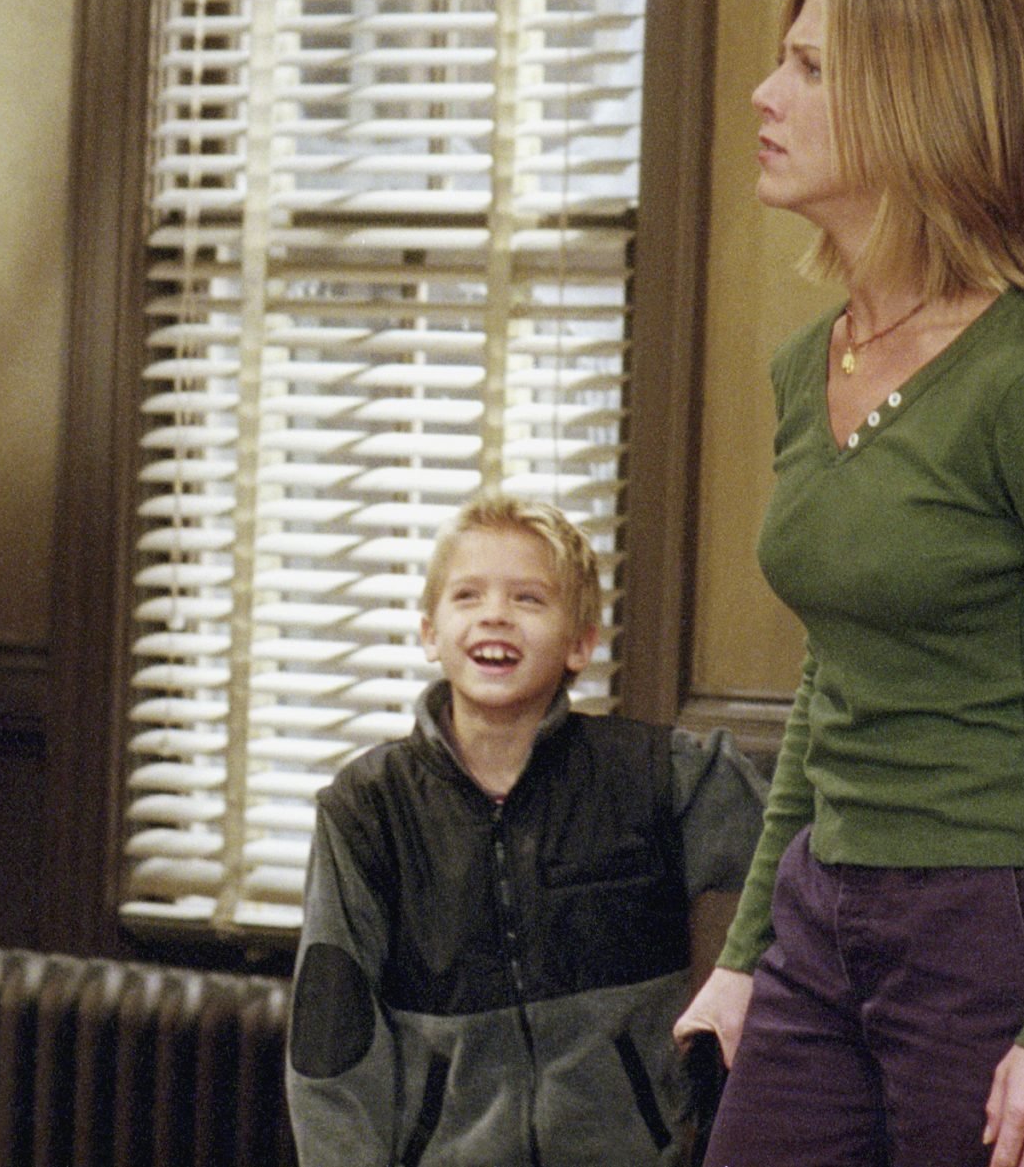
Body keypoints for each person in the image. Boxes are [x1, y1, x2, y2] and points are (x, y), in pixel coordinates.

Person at [672, 0, 1024, 1167]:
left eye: (808, 68)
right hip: (823, 907)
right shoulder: (809, 364)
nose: (763, 93)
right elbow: (833, 677)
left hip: (996, 922)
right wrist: (746, 953)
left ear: (915, 106)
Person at [287, 495, 767, 1167]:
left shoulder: (665, 777)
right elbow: (330, 1049)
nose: (495, 614)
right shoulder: (366, 810)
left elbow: (790, 880)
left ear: (581, 643)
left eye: (528, 598)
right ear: (429, 632)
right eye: (467, 595)